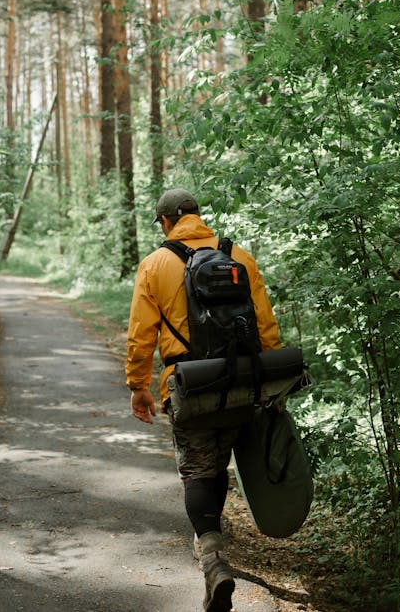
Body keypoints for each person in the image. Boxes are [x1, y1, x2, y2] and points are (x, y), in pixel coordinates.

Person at [125, 187, 281, 612]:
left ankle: (212, 558)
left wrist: (138, 384)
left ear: (165, 221)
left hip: (188, 385)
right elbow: (265, 326)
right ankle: (212, 543)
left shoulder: (155, 264)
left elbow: (141, 335)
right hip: (241, 381)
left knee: (197, 468)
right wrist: (268, 384)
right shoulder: (239, 255)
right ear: (197, 214)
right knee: (219, 463)